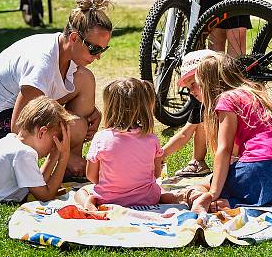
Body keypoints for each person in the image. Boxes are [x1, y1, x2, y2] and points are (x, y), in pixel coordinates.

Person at [0, 0, 111, 175]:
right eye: (94, 49)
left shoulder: (64, 51)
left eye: (103, 49)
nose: (98, 56)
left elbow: (48, 103)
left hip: (7, 111)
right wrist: (66, 156)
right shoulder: (42, 63)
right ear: (74, 38)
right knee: (73, 126)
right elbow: (19, 128)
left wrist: (92, 112)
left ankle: (66, 172)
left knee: (84, 90)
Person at [188, 52, 272, 212]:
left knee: (211, 183)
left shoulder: (226, 99)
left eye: (196, 84)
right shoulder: (256, 94)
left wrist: (214, 191)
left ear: (208, 84)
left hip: (259, 171)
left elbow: (224, 149)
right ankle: (236, 201)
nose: (193, 90)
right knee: (226, 178)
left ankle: (224, 202)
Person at [75, 78, 201, 210]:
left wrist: (112, 185)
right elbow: (156, 174)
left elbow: (91, 175)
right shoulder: (152, 139)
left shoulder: (101, 138)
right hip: (147, 198)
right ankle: (181, 197)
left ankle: (89, 205)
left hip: (108, 199)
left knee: (81, 192)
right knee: (159, 190)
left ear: (110, 108)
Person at [159, 49, 220, 178]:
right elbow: (185, 133)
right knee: (200, 121)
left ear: (210, 76)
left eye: (193, 84)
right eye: (188, 88)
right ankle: (198, 162)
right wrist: (161, 154)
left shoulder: (227, 101)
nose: (191, 91)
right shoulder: (201, 100)